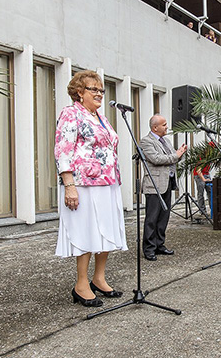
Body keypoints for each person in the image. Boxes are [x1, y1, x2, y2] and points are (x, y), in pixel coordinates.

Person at [54, 70, 127, 308]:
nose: (99, 93)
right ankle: (81, 284)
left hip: (107, 183)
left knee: (106, 230)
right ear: (79, 92)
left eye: (101, 90)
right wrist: (69, 186)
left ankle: (99, 278)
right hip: (83, 184)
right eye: (93, 89)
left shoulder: (101, 117)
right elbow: (63, 150)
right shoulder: (71, 113)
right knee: (86, 232)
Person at [141, 115, 188, 260]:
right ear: (155, 127)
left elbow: (172, 156)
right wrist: (176, 155)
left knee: (164, 217)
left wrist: (179, 153)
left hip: (167, 183)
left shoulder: (166, 141)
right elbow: (156, 159)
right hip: (154, 185)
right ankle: (149, 248)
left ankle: (159, 245)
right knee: (152, 218)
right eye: (164, 124)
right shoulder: (146, 141)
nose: (167, 127)